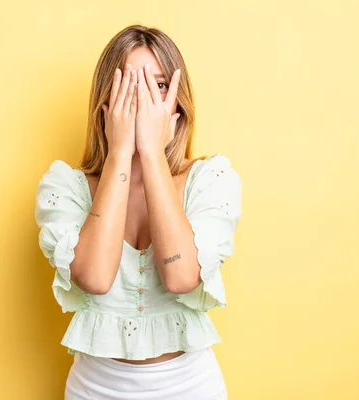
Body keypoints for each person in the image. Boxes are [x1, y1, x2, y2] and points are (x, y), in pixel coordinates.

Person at [35, 24, 242, 400]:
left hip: (190, 386)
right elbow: (95, 278)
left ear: (178, 101)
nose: (144, 99)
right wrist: (119, 154)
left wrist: (150, 153)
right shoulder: (63, 185)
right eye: (130, 85)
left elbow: (182, 278)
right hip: (95, 388)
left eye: (159, 85)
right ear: (105, 101)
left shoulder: (211, 179)